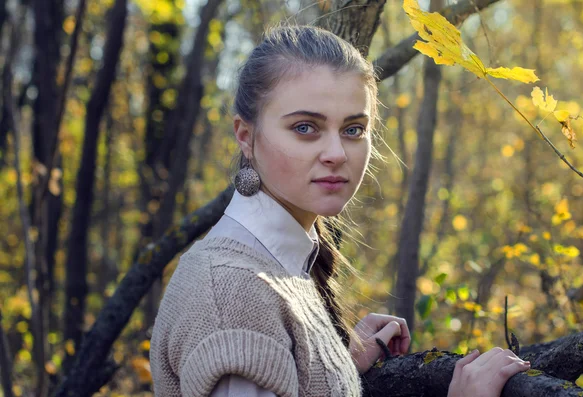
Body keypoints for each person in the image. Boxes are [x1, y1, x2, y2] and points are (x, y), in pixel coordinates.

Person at [149, 25, 531, 397]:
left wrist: (332, 363)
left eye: (352, 130)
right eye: (305, 127)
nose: (336, 154)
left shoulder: (274, 264)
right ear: (246, 136)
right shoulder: (233, 294)